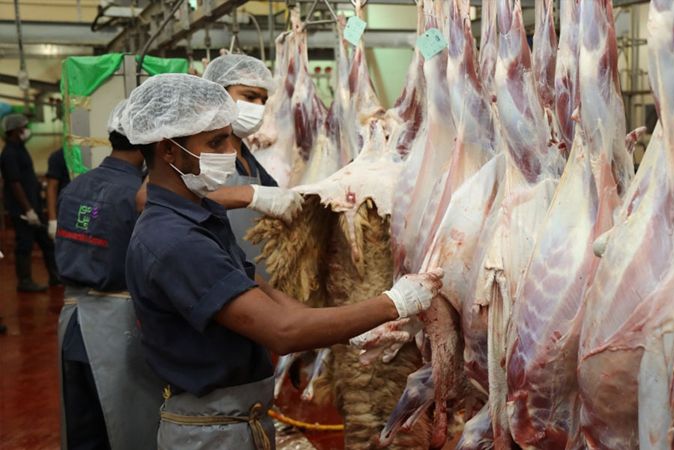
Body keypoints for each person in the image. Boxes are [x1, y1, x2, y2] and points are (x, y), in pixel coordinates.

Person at [123, 74, 443, 449]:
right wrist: (394, 302)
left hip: (237, 420)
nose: (231, 151)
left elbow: (258, 289)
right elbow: (283, 331)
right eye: (215, 142)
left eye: (229, 138)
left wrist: (351, 330)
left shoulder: (199, 216)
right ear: (168, 150)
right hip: (212, 434)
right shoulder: (175, 240)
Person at [55, 100, 165, 450]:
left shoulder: (75, 186)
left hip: (72, 325)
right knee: (129, 428)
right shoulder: (139, 196)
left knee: (83, 430)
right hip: (118, 329)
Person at [203, 53, 282, 279]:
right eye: (250, 96)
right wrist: (249, 195)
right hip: (218, 277)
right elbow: (148, 197)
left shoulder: (248, 156)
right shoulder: (199, 147)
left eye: (263, 100)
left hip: (254, 278)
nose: (259, 107)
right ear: (219, 94)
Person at [0, 113, 59, 292]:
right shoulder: (9, 154)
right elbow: (14, 183)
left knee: (46, 242)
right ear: (15, 130)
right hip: (23, 210)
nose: (27, 130)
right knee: (25, 244)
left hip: (33, 206)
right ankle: (24, 281)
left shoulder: (20, 149)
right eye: (24, 127)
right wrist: (28, 210)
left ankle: (55, 277)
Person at [46, 148, 71, 239]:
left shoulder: (90, 154)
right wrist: (52, 219)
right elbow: (52, 187)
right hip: (66, 213)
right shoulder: (59, 156)